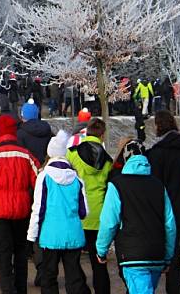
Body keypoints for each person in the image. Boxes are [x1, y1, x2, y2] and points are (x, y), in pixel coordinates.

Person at [96, 141, 176, 294]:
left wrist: (101, 249)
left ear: (125, 159)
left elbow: (109, 222)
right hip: (156, 253)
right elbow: (169, 224)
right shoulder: (158, 185)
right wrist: (168, 255)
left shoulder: (117, 185)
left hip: (132, 254)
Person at [0, 114, 40, 294]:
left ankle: (7, 289)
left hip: (1, 210)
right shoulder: (26, 154)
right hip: (22, 208)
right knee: (21, 252)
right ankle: (21, 289)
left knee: (4, 252)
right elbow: (38, 181)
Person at [27, 131, 90, 294]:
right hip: (73, 234)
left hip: (51, 235)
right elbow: (84, 211)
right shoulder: (76, 178)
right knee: (74, 276)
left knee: (49, 276)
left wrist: (31, 235)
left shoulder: (44, 176)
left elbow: (38, 209)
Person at [145, 109, 180, 294]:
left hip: (168, 213)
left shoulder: (156, 154)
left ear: (158, 127)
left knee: (173, 260)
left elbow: (154, 186)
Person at [66, 118, 112, 294]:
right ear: (102, 135)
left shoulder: (72, 154)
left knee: (72, 260)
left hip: (78, 212)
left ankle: (81, 288)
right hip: (99, 215)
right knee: (99, 261)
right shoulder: (107, 160)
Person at [17, 100, 53, 165]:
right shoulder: (46, 129)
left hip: (29, 167)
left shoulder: (20, 133)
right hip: (45, 166)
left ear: (23, 115)